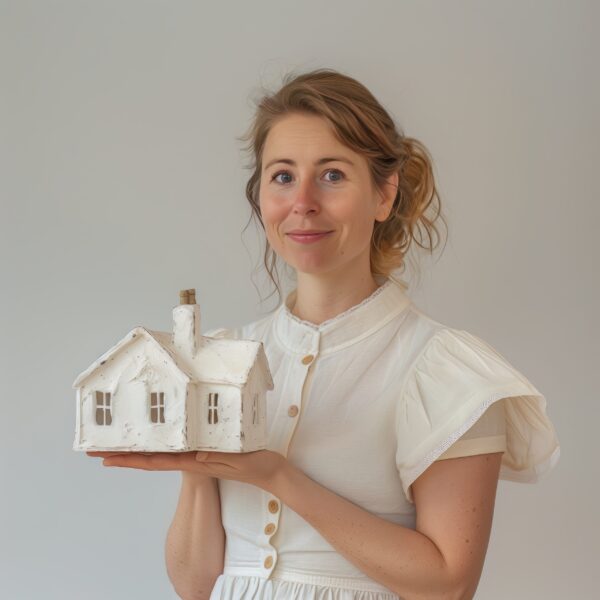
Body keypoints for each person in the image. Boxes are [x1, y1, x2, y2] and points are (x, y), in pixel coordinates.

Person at [88, 68, 560, 600]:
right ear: (261, 197)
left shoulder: (444, 371)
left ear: (384, 195)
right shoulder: (222, 361)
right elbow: (196, 584)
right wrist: (198, 466)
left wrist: (277, 477)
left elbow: (449, 585)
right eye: (283, 176)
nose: (303, 201)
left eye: (332, 175)